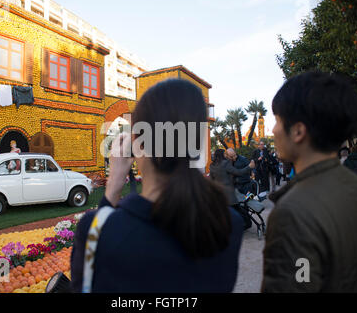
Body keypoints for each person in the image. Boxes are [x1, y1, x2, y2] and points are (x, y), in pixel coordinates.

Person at [70, 79, 245, 292]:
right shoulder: (229, 224)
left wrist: (114, 184)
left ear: (138, 143)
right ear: (197, 141)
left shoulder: (98, 231)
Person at [262, 71, 357, 292]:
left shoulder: (293, 213)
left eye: (277, 120)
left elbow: (297, 284)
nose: (274, 130)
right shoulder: (356, 186)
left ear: (298, 131)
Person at [210, 149, 255, 230]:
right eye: (224, 154)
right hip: (230, 194)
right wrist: (249, 167)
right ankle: (246, 224)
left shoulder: (212, 165)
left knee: (227, 212)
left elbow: (211, 180)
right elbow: (238, 172)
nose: (225, 155)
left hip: (220, 194)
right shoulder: (225, 163)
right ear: (221, 155)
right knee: (240, 211)